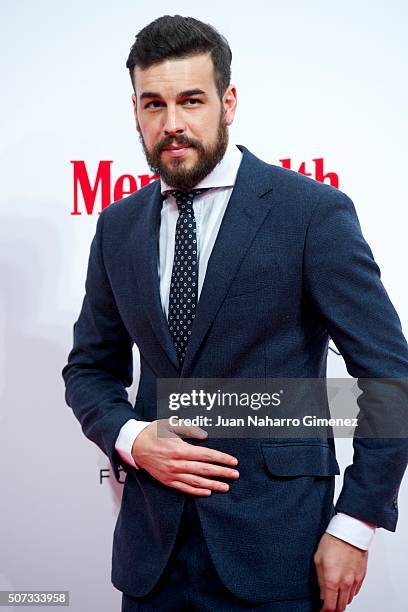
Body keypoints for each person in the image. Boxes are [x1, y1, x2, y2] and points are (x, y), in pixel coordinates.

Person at [62, 14, 408, 612]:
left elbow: (390, 376)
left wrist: (354, 523)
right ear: (136, 110)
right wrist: (133, 436)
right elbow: (89, 370)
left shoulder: (311, 213)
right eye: (153, 105)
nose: (172, 124)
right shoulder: (117, 226)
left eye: (191, 100)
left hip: (280, 553)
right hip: (152, 559)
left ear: (228, 102)